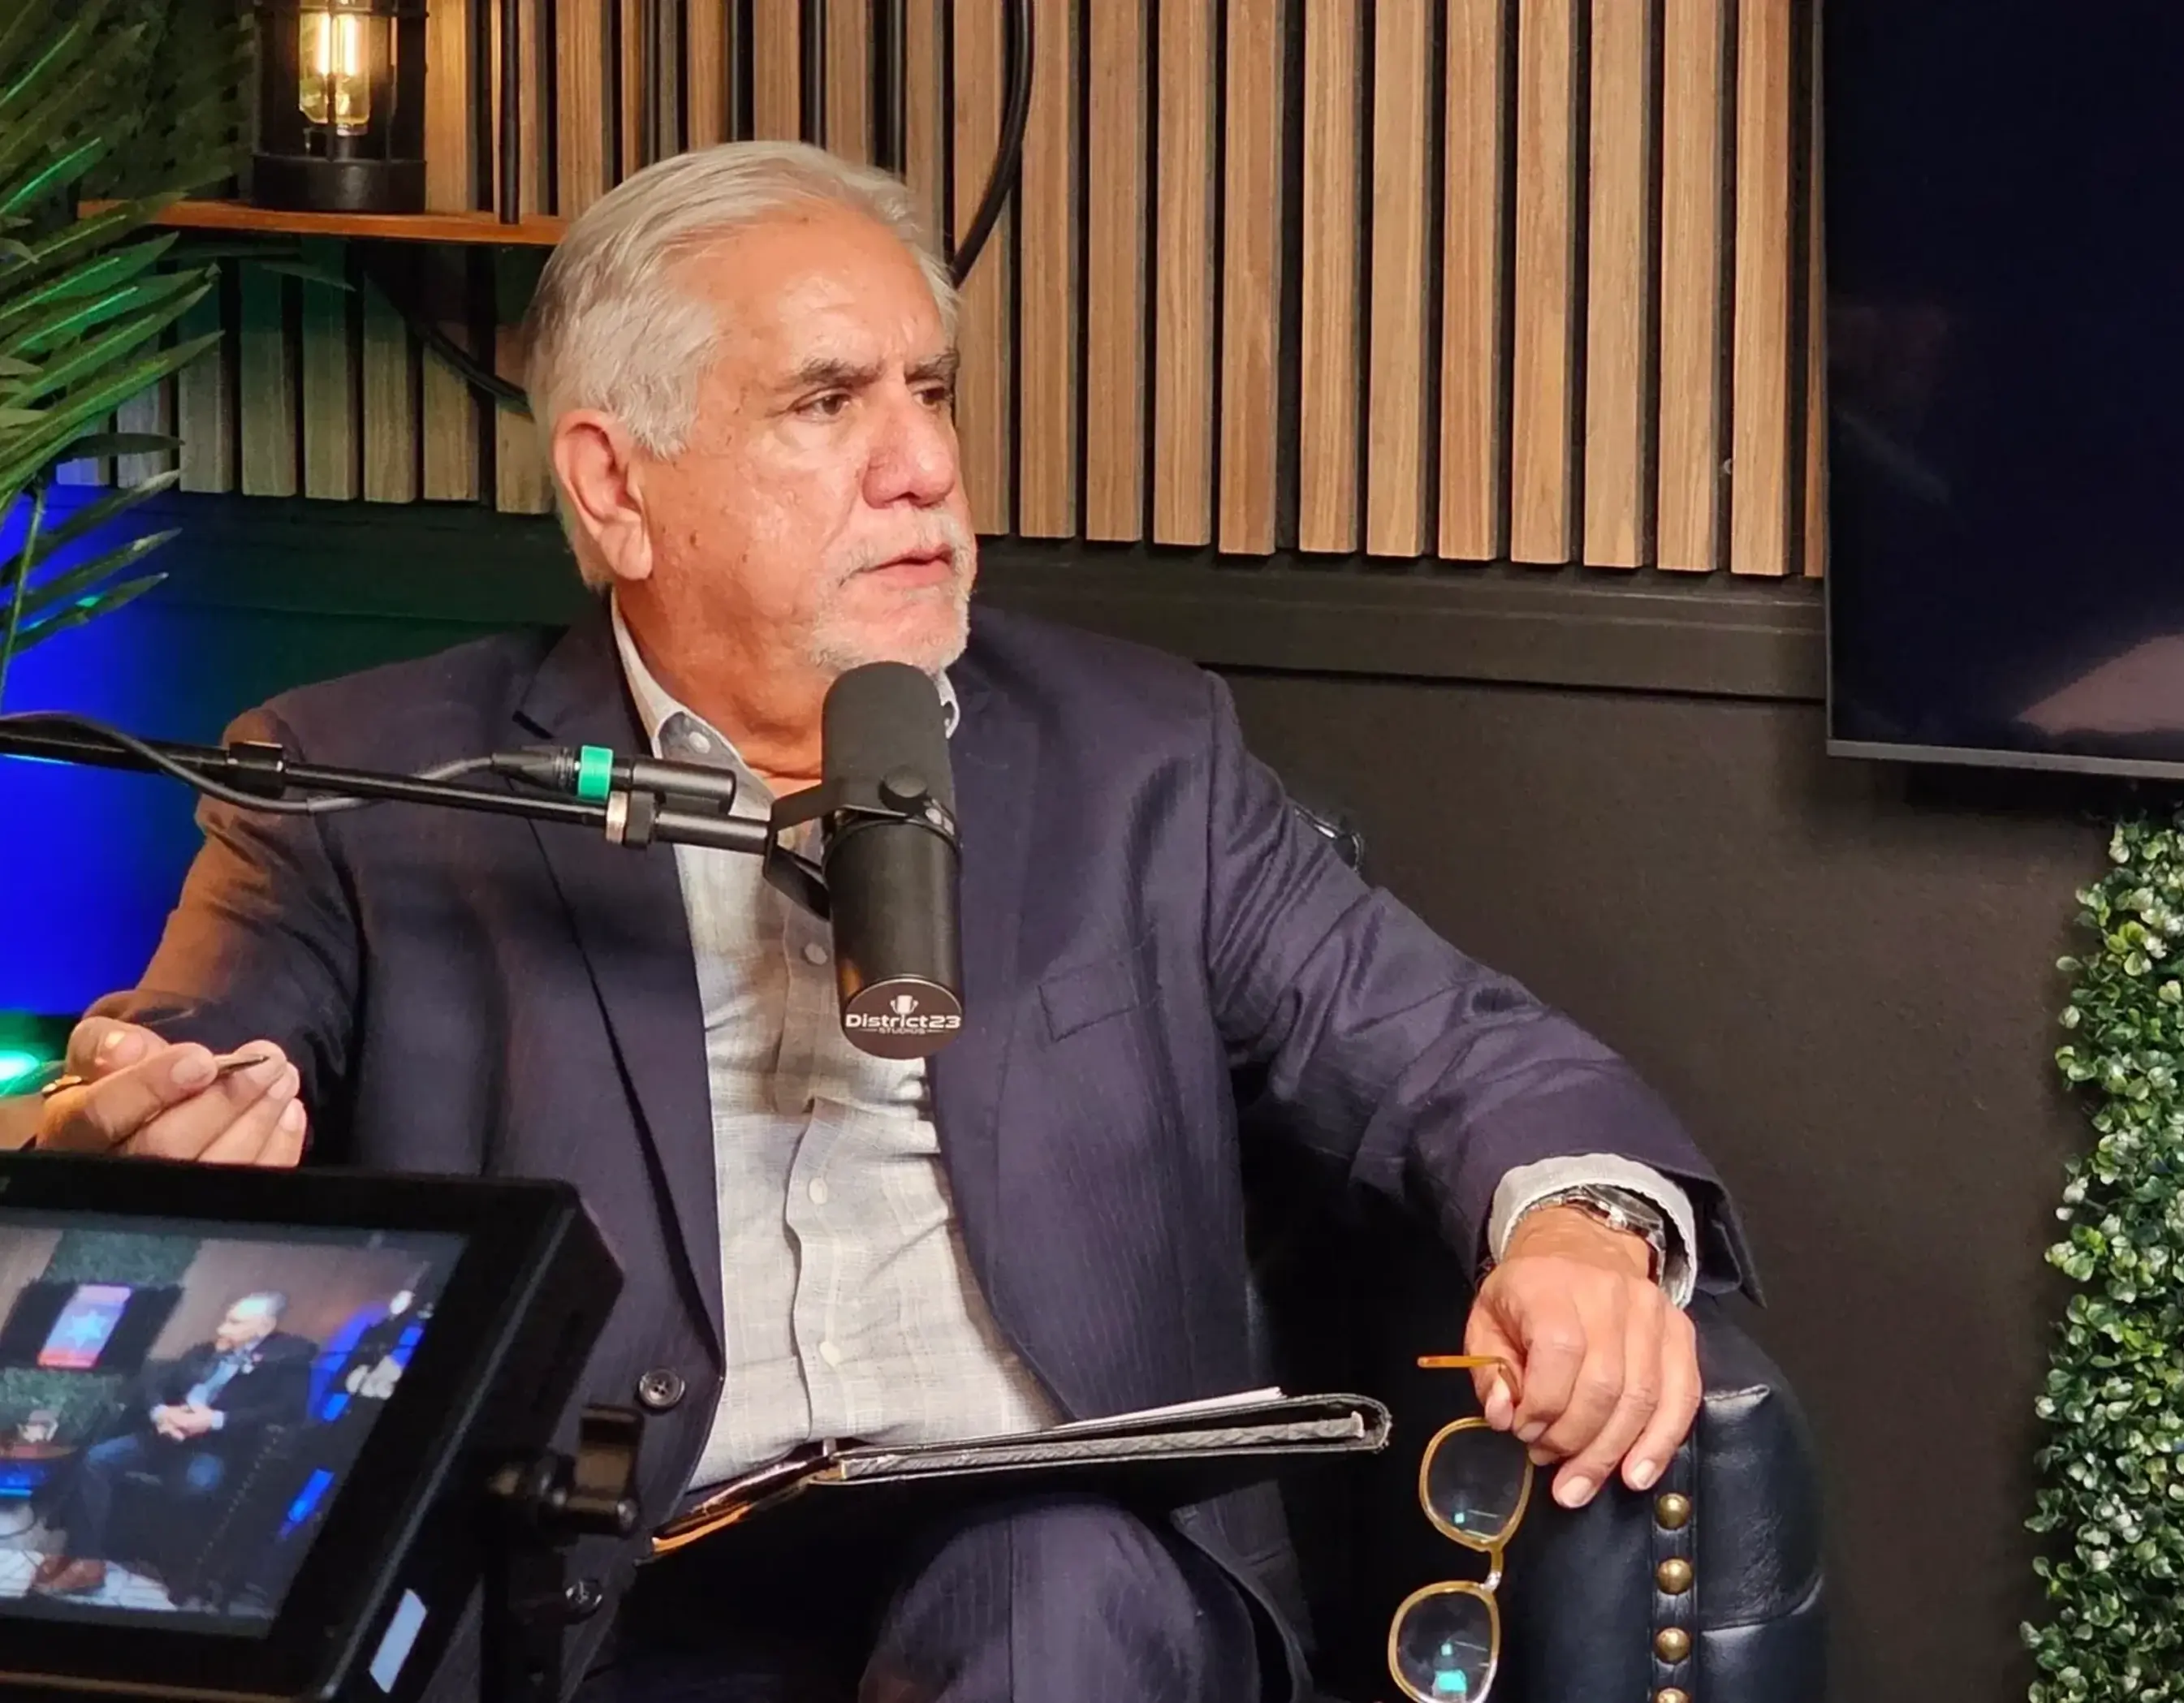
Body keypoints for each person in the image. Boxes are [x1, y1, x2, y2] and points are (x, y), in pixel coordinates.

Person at [0, 141, 1743, 1701]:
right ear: (616, 488)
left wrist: (1583, 1231)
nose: (922, 465)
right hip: (598, 1612)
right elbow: (173, 1073)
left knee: (1049, 1579)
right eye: (826, 403)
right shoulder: (371, 781)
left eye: (932, 390)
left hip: (1063, 1585)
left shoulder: (1139, 758)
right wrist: (131, 1133)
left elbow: (1456, 1051)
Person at [31, 1292, 317, 1601]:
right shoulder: (205, 1351)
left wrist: (215, 1420)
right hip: (165, 1437)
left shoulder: (287, 1362)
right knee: (97, 1459)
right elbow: (155, 1383)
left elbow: (288, 1410)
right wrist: (162, 1413)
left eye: (235, 1323)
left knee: (193, 1484)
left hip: (214, 1448)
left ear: (264, 1327)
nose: (222, 1328)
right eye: (226, 1319)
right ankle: (86, 1559)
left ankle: (152, 1559)